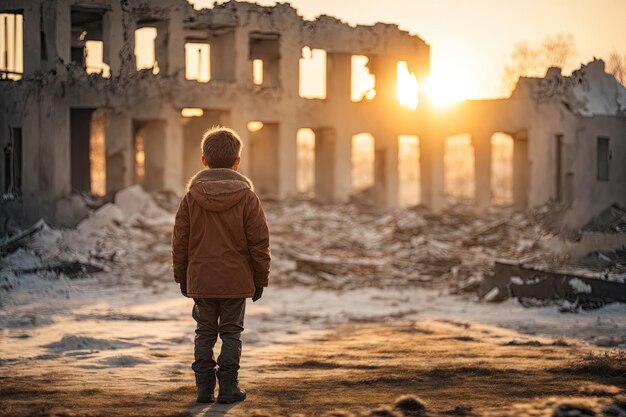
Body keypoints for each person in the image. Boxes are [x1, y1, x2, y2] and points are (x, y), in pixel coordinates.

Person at [171, 126, 271, 404]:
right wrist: (260, 280)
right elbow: (259, 243)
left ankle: (203, 389)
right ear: (237, 162)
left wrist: (182, 276)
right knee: (231, 334)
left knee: (204, 332)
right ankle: (228, 389)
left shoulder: (191, 198)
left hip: (201, 279)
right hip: (236, 281)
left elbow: (180, 241)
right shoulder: (248, 199)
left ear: (203, 159)